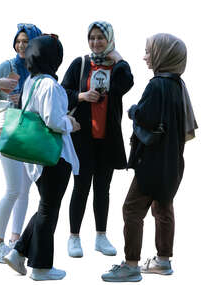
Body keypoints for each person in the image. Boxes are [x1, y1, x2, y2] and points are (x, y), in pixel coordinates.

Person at [101, 33, 198, 282]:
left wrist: (133, 110)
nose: (146, 56)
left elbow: (144, 115)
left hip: (152, 161)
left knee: (131, 210)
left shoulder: (157, 85)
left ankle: (131, 265)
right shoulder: (178, 85)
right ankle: (163, 261)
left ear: (163, 55)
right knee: (163, 207)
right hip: (173, 161)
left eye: (149, 51)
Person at [3, 35, 80, 281]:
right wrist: (72, 122)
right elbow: (54, 121)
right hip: (53, 157)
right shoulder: (51, 86)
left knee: (45, 206)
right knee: (49, 211)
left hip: (35, 157)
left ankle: (19, 251)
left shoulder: (32, 82)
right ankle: (41, 268)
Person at [61, 21, 134, 257]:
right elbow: (62, 94)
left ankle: (101, 237)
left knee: (103, 189)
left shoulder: (117, 68)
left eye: (101, 37)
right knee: (81, 187)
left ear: (110, 39)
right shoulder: (80, 64)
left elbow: (127, 84)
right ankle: (74, 237)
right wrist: (81, 96)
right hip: (83, 137)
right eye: (92, 37)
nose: (95, 42)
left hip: (107, 138)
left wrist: (119, 59)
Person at [0, 23, 42, 263]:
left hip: (29, 133)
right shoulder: (9, 66)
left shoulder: (37, 70)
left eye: (26, 41)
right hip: (9, 131)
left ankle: (15, 241)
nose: (21, 45)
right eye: (19, 41)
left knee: (25, 190)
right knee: (13, 189)